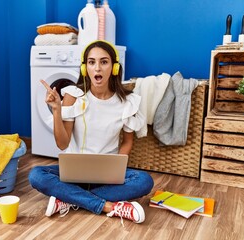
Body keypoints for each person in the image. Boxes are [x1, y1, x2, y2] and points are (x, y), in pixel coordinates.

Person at [28, 40, 154, 226]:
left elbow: (127, 142)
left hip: (107, 175)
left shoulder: (127, 102)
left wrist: (116, 169)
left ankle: (68, 199)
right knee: (36, 175)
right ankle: (109, 207)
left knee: (144, 180)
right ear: (85, 68)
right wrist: (57, 110)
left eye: (104, 62)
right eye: (92, 62)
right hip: (75, 174)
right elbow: (62, 144)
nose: (97, 68)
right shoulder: (73, 96)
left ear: (114, 68)